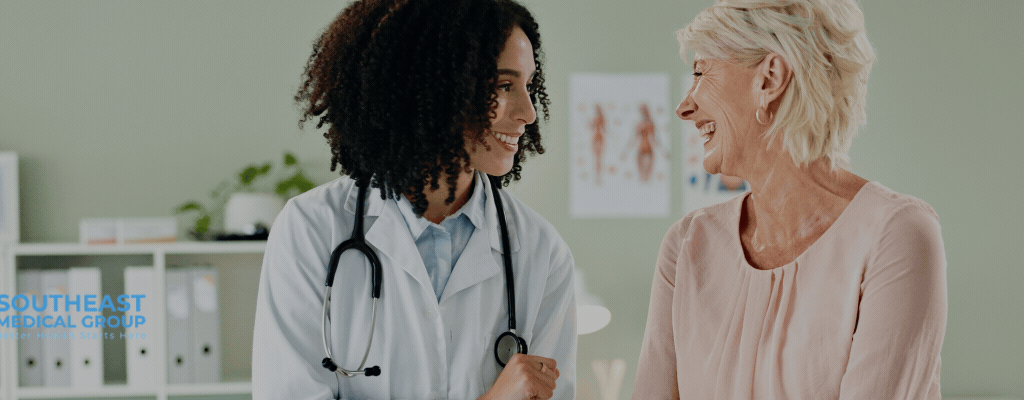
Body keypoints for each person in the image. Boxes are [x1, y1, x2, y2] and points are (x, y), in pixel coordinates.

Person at [251, 0, 576, 399]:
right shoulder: (311, 230)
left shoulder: (541, 252)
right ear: (432, 85)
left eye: (529, 84)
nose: (528, 112)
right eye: (503, 86)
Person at [633, 0, 947, 399]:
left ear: (769, 78)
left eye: (700, 72)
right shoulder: (687, 245)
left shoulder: (896, 234)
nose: (685, 106)